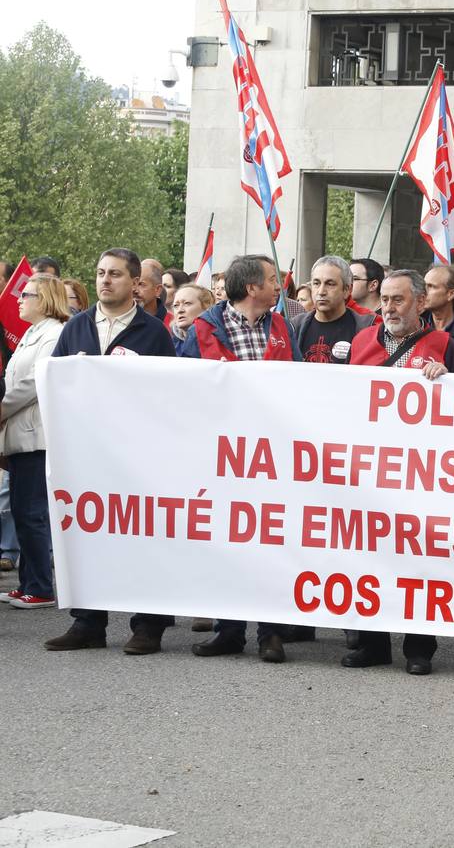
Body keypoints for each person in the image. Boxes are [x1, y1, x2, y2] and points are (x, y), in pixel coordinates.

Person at [43, 249, 178, 654]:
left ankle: (148, 626)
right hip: (86, 450)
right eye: (100, 273)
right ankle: (88, 622)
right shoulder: (76, 328)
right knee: (86, 534)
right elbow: (56, 382)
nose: (105, 281)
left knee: (143, 536)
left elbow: (169, 393)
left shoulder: (153, 332)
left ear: (135, 283)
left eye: (115, 274)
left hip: (138, 453)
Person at [343, 269, 454, 676]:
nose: (389, 307)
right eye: (386, 300)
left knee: (418, 561)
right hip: (370, 469)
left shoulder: (443, 345)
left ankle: (419, 647)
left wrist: (448, 379)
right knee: (368, 556)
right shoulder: (363, 341)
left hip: (422, 474)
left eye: (399, 300)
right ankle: (373, 643)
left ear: (420, 303)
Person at [180, 255, 301, 663]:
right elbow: (181, 388)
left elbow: (301, 381)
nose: (277, 285)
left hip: (271, 456)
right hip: (221, 456)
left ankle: (270, 632)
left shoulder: (282, 326)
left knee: (270, 541)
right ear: (252, 288)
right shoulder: (202, 330)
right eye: (271, 279)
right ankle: (228, 630)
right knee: (227, 541)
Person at [1, 274, 69, 610]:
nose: (19, 299)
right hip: (19, 433)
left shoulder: (53, 333)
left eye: (25, 295)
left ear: (43, 299)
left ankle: (41, 585)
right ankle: (28, 581)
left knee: (32, 513)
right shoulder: (32, 333)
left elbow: (31, 382)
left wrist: (1, 407)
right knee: (22, 510)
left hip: (35, 435)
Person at [295, 256, 373, 365]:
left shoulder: (367, 329)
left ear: (347, 290)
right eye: (316, 283)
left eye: (330, 284)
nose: (321, 291)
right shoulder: (294, 327)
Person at [136, 258, 169, 325]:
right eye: (132, 284)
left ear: (158, 290)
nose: (134, 290)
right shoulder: (118, 321)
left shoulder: (172, 325)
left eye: (141, 284)